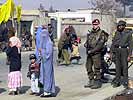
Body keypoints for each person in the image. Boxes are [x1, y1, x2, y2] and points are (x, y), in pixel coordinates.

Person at [84, 19, 109, 89]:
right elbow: (87, 41)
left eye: (96, 24)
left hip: (96, 53)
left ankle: (98, 82)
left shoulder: (102, 33)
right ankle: (91, 80)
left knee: (97, 68)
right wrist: (86, 44)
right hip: (89, 53)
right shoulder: (90, 33)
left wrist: (92, 51)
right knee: (88, 67)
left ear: (98, 24)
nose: (95, 25)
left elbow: (100, 45)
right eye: (94, 24)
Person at [110, 20, 132, 88]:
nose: (120, 27)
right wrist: (111, 52)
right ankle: (117, 81)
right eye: (119, 26)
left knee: (125, 67)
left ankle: (125, 81)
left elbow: (131, 45)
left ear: (124, 26)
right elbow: (113, 43)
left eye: (121, 25)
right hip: (117, 51)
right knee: (118, 67)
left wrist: (129, 55)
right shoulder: (117, 33)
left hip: (124, 50)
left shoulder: (128, 33)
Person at [39, 26, 55, 97]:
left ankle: (47, 91)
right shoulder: (43, 43)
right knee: (43, 75)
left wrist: (42, 51)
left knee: (48, 76)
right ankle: (46, 90)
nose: (43, 36)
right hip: (43, 63)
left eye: (44, 35)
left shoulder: (49, 43)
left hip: (48, 63)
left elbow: (48, 54)